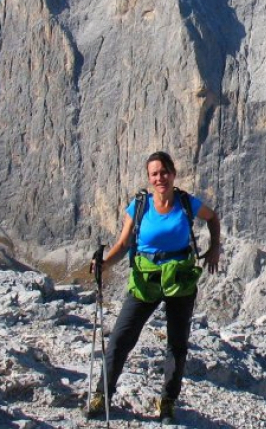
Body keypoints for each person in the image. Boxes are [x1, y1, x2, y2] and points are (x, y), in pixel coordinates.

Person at [87, 151, 221, 425]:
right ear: (149, 179)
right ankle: (102, 394)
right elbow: (123, 244)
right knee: (120, 339)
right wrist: (104, 264)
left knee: (177, 344)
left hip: (179, 279)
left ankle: (167, 403)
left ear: (173, 174)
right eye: (154, 174)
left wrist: (215, 247)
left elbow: (213, 218)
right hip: (145, 279)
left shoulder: (186, 202)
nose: (160, 178)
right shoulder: (139, 206)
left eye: (164, 172)